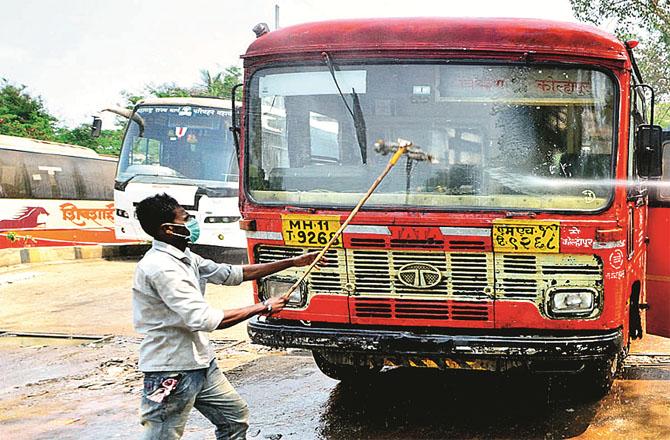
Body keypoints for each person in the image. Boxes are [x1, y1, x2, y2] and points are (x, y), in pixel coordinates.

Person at [133, 193, 323, 439]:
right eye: (186, 218)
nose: (192, 223)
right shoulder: (162, 268)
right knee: (161, 436)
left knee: (234, 418)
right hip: (171, 370)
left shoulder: (185, 257)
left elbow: (231, 273)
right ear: (168, 229)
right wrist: (264, 307)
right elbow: (206, 320)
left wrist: (294, 261)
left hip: (201, 363)